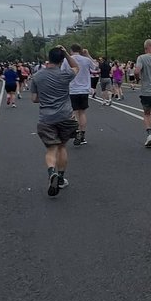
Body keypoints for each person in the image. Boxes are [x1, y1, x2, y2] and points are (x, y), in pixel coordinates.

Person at [31, 45, 80, 195]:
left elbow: (34, 99)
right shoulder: (65, 74)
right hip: (65, 116)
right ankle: (60, 177)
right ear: (61, 60)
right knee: (62, 147)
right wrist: (66, 53)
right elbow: (76, 67)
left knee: (51, 149)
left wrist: (45, 98)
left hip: (46, 118)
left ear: (49, 59)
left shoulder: (37, 76)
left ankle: (51, 171)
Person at [68, 43, 93, 145]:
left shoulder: (68, 59)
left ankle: (76, 131)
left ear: (71, 50)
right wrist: (88, 55)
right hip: (84, 89)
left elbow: (63, 72)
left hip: (73, 88)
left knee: (74, 112)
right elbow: (95, 67)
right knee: (82, 113)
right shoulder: (86, 60)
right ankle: (82, 134)